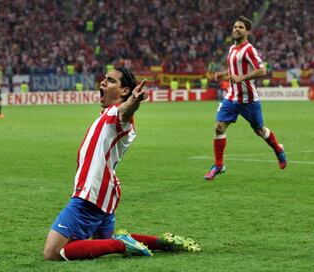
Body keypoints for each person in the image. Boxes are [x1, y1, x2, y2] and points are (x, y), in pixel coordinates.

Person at [43, 67, 201, 261]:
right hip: (106, 192)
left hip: (91, 194)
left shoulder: (117, 116)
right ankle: (160, 242)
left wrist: (134, 101)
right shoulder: (108, 115)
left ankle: (122, 244)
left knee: (52, 253)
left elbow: (125, 111)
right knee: (98, 242)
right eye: (104, 78)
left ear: (124, 91)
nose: (102, 82)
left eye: (110, 81)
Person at [204, 16, 287, 181]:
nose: (236, 29)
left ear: (247, 31)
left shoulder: (249, 49)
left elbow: (262, 71)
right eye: (235, 27)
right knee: (219, 127)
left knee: (259, 130)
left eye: (241, 27)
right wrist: (223, 74)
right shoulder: (231, 49)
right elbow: (234, 70)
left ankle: (278, 149)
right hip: (231, 96)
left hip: (249, 99)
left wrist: (241, 78)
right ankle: (218, 165)